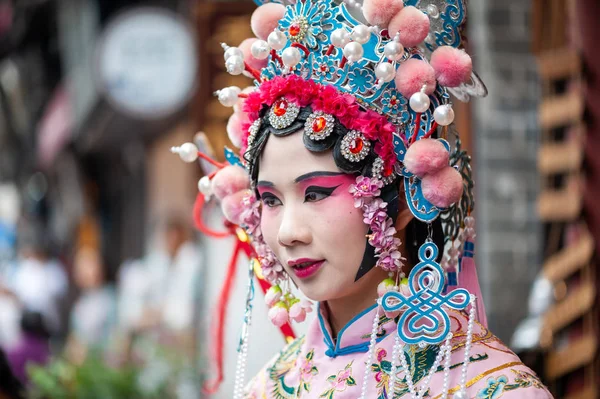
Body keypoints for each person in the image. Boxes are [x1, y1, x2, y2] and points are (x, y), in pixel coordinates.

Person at [173, 0, 554, 397]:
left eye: (317, 193)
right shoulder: (267, 388)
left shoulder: (489, 388)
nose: (287, 232)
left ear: (405, 201)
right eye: (270, 200)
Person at [66, 247, 117, 362]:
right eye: (80, 267)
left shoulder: (111, 298)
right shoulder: (80, 304)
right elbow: (75, 338)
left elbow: (117, 338)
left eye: (89, 264)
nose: (85, 271)